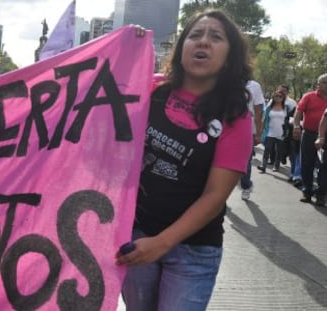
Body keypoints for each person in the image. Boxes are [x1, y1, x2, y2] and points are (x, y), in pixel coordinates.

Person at [117, 9, 252, 311]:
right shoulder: (150, 88)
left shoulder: (236, 115)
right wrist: (128, 46)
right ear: (181, 49)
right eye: (195, 35)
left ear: (229, 57)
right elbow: (102, 95)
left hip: (194, 251)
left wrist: (162, 243)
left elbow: (215, 196)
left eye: (215, 37)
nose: (203, 42)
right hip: (136, 237)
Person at [293, 73, 327, 205]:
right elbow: (298, 112)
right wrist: (296, 126)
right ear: (318, 84)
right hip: (309, 134)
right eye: (325, 82)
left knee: (324, 166)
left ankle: (321, 194)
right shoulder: (309, 96)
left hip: (325, 138)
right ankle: (307, 191)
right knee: (307, 164)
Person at [240, 80, 264, 200]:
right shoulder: (224, 80)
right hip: (226, 128)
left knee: (245, 162)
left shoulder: (254, 86)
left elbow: (259, 111)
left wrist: (258, 133)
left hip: (248, 130)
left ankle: (245, 186)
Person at [257, 90, 288, 173]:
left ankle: (276, 166)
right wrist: (260, 131)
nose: (278, 98)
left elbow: (288, 120)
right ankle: (263, 166)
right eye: (276, 96)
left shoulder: (285, 108)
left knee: (278, 150)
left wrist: (287, 131)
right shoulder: (269, 107)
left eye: (280, 96)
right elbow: (264, 120)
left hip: (281, 132)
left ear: (283, 98)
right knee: (267, 149)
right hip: (270, 132)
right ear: (273, 97)